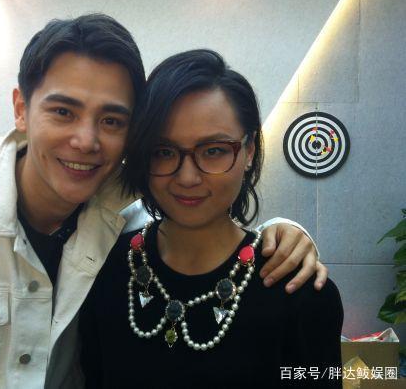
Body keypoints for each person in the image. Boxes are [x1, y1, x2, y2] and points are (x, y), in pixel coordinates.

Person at [0, 15, 324, 388]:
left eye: (112, 120)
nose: (86, 140)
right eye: (63, 111)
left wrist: (281, 234)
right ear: (21, 108)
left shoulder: (126, 224)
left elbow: (205, 224)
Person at [79, 49, 343, 388]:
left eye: (214, 150)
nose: (187, 177)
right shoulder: (103, 269)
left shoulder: (300, 293)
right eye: (164, 152)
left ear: (249, 150)